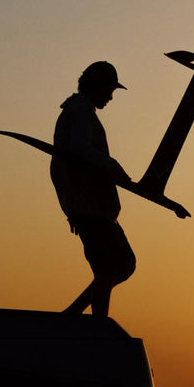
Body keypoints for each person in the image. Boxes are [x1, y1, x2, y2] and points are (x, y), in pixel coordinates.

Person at [52, 61, 136, 316]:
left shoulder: (81, 111)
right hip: (89, 207)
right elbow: (76, 150)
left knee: (117, 266)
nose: (111, 97)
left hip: (91, 206)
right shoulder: (79, 112)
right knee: (114, 267)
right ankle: (83, 320)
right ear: (98, 87)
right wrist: (111, 164)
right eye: (109, 90)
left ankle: (82, 317)